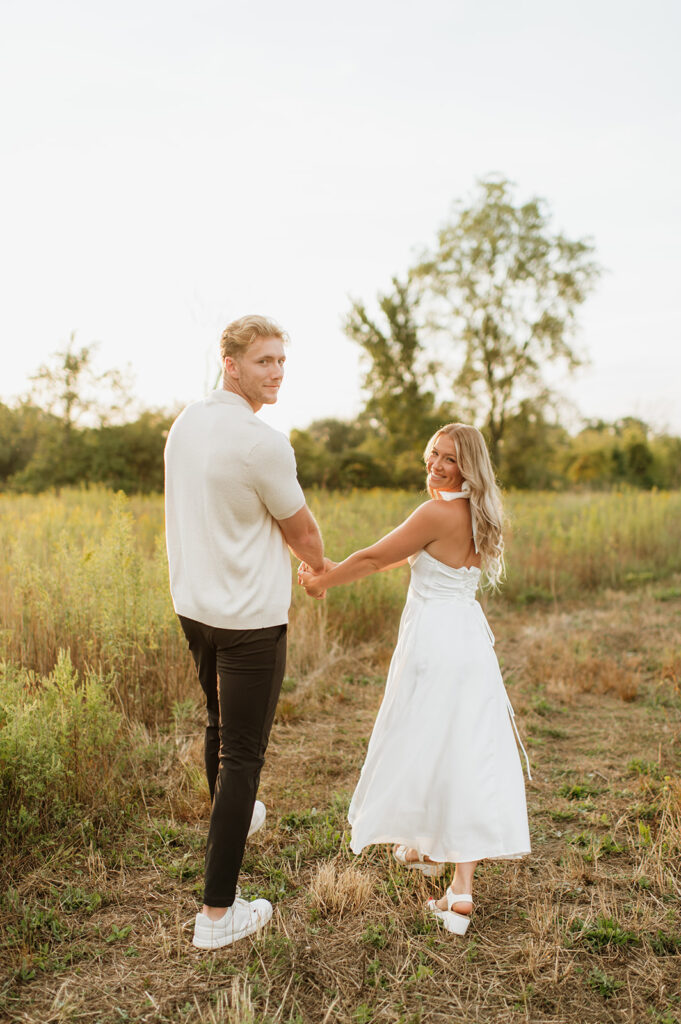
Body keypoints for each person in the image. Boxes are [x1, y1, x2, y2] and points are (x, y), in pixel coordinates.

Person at [299, 423, 531, 936]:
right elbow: (405, 558)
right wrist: (336, 567)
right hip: (470, 643)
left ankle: (427, 849)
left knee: (429, 742)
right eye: (432, 453)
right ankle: (458, 885)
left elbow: (376, 556)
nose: (436, 464)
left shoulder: (436, 512)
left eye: (449, 458)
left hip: (435, 644)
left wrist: (322, 579)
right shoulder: (479, 513)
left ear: (468, 465)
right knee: (463, 751)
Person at [165, 314, 325, 949]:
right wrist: (319, 568)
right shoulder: (263, 442)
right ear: (230, 363)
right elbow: (303, 533)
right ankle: (216, 916)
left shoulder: (185, 424)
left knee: (217, 723)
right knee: (243, 758)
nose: (278, 371)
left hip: (195, 609)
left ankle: (235, 819)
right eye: (264, 360)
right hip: (250, 622)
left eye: (282, 360)